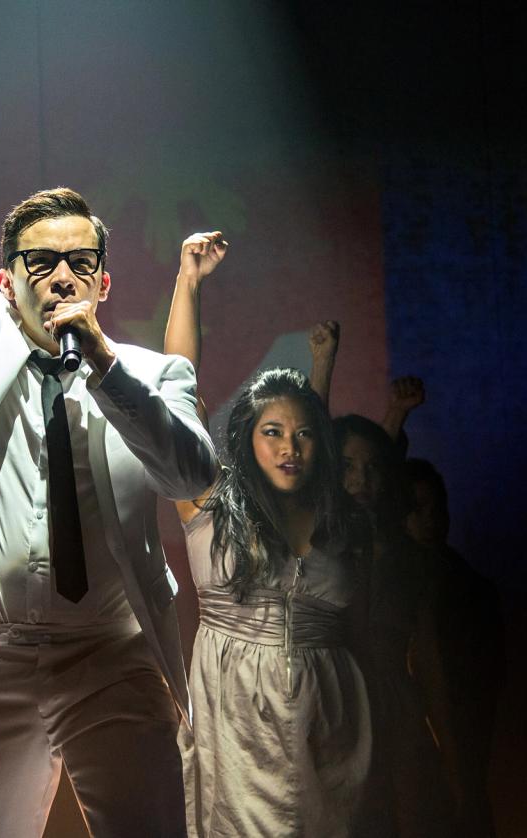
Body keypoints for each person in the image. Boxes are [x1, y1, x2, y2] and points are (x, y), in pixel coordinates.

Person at [0, 23, 216, 838]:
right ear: (5, 280)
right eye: (38, 261)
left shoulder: (149, 373)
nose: (60, 274)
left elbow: (192, 474)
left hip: (114, 655)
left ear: (103, 277)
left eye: (79, 262)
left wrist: (101, 362)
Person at [164, 233, 375, 837]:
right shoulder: (212, 510)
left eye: (301, 435)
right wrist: (190, 281)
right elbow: (174, 396)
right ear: (246, 441)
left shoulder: (338, 519)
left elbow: (314, 453)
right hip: (238, 733)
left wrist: (321, 371)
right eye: (271, 433)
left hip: (332, 733)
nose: (288, 448)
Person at [334, 414, 456, 838]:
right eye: (347, 467)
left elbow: (430, 657)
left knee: (409, 815)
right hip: (339, 705)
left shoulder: (408, 557)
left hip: (395, 708)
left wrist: (454, 757)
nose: (360, 479)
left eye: (371, 469)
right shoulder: (325, 548)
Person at [404, 458, 504, 838]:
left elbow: (490, 678)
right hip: (420, 745)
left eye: (437, 508)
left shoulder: (472, 587)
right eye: (417, 509)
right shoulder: (394, 586)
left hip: (469, 740)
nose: (430, 520)